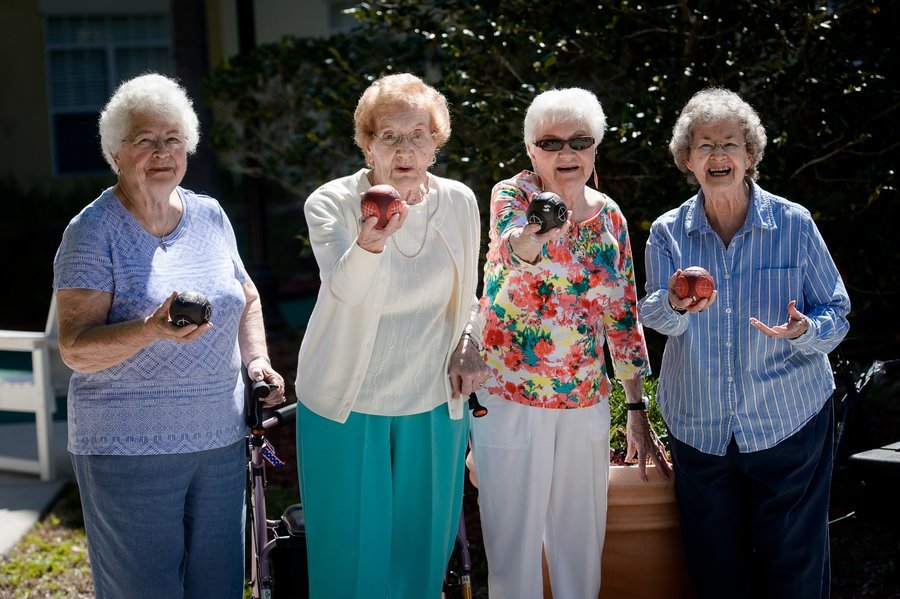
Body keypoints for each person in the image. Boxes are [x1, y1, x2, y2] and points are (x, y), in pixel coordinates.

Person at [53, 73, 285, 599]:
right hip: (128, 449)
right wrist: (149, 330)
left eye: (173, 139)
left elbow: (247, 297)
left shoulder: (209, 215)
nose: (162, 152)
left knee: (218, 587)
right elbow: (76, 349)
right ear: (116, 153)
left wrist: (257, 362)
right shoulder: (92, 231)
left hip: (219, 444)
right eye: (145, 140)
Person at [638, 87, 851, 598]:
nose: (718, 155)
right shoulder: (668, 233)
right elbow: (653, 315)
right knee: (716, 571)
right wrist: (675, 304)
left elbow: (837, 312)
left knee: (794, 570)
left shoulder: (794, 224)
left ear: (749, 155)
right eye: (705, 145)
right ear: (688, 159)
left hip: (788, 418)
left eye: (729, 143)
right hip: (700, 422)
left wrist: (804, 330)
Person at [293, 72, 489, 599]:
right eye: (389, 136)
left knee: (421, 557)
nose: (405, 150)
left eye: (418, 135)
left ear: (436, 141)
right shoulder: (332, 203)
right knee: (350, 562)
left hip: (433, 401)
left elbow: (471, 298)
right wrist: (370, 242)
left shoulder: (459, 202)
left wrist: (469, 343)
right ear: (367, 143)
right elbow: (346, 290)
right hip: (347, 402)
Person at [469, 87, 670, 599]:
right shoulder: (512, 196)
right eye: (550, 142)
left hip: (585, 398)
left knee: (581, 549)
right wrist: (540, 229)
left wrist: (636, 407)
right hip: (509, 394)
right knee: (513, 549)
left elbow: (623, 313)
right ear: (530, 150)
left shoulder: (611, 217)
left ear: (595, 147)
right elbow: (513, 248)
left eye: (579, 141)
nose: (566, 153)